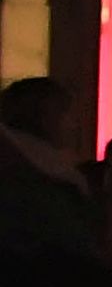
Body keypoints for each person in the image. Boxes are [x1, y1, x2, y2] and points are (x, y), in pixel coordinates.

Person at [0, 82, 102, 265]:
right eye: (69, 114)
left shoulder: (31, 165)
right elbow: (73, 243)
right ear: (47, 118)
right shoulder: (46, 176)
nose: (75, 125)